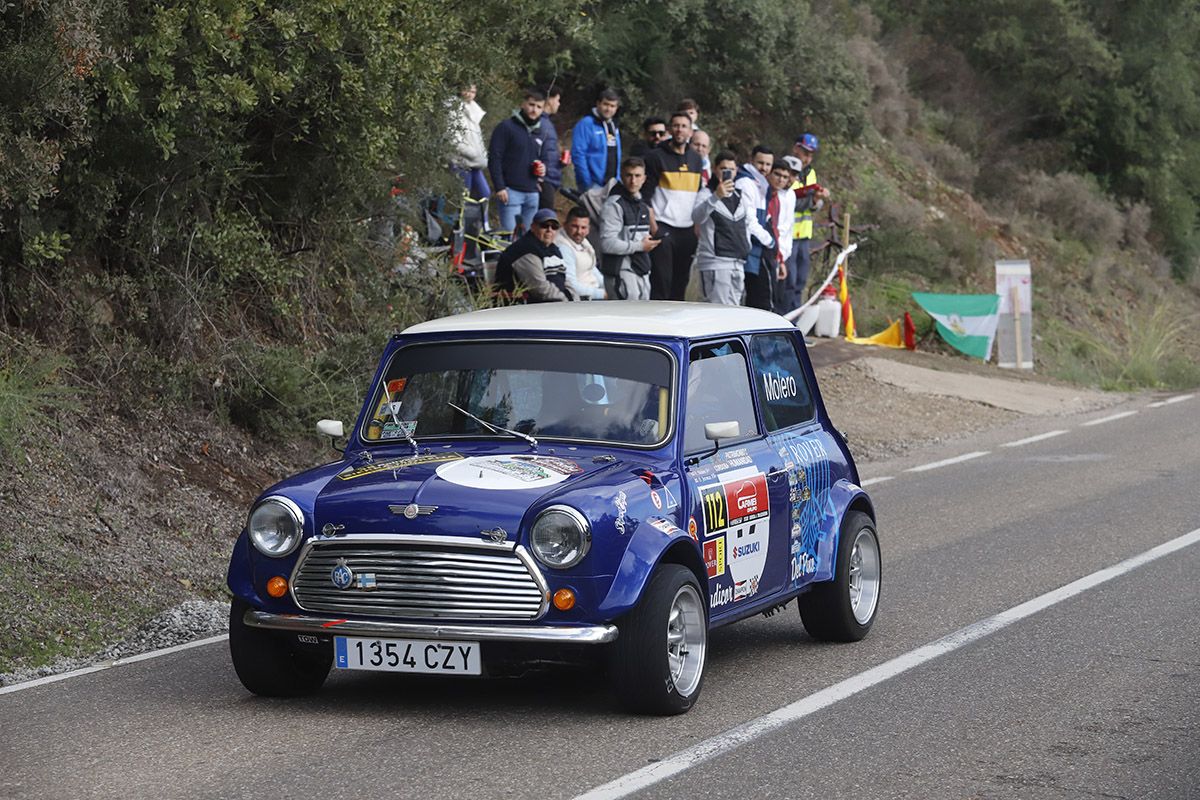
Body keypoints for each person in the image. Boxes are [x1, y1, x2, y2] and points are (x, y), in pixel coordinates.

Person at [643, 111, 704, 300]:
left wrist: (696, 227)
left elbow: (698, 197)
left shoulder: (696, 160)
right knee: (661, 282)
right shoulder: (655, 157)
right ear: (670, 129)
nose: (679, 130)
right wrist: (655, 228)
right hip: (664, 227)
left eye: (684, 126)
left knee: (681, 283)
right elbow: (645, 197)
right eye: (676, 126)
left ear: (690, 131)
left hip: (687, 231)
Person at [488, 88, 555, 234]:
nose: (534, 110)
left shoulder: (541, 131)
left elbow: (544, 158)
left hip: (532, 193)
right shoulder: (506, 127)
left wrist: (543, 169)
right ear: (523, 104)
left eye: (539, 107)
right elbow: (494, 158)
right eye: (531, 105)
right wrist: (500, 186)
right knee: (510, 238)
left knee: (528, 239)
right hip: (510, 192)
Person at [692, 151, 752, 305]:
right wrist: (715, 196)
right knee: (716, 312)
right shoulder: (706, 193)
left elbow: (747, 225)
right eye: (723, 168)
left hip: (738, 263)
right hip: (715, 263)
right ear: (714, 169)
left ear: (736, 171)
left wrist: (746, 248)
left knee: (733, 314)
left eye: (731, 169)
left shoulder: (740, 196)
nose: (727, 172)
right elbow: (696, 217)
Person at [600, 157, 660, 301]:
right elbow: (607, 244)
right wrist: (640, 246)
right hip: (620, 272)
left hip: (641, 270)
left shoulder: (643, 204)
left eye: (637, 176)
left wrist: (648, 243)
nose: (633, 181)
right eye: (629, 175)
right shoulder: (613, 205)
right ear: (622, 176)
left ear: (644, 178)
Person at [494, 209, 578, 302]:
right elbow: (540, 289)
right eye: (544, 226)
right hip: (525, 308)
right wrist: (567, 303)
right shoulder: (525, 250)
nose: (549, 230)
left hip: (556, 305)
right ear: (533, 227)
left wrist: (575, 300)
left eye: (554, 227)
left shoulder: (553, 249)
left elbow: (565, 280)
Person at [787, 133, 831, 307]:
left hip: (804, 235)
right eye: (804, 152)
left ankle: (794, 324)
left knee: (800, 282)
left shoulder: (810, 173)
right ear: (795, 148)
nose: (807, 158)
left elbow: (815, 205)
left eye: (810, 154)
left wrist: (816, 201)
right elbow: (788, 201)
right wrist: (812, 201)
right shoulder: (785, 170)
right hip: (787, 235)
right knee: (787, 283)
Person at [735, 145, 778, 310]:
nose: (764, 168)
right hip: (749, 250)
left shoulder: (760, 183)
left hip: (756, 250)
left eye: (768, 165)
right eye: (760, 163)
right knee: (758, 300)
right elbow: (748, 220)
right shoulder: (745, 182)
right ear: (751, 160)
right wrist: (769, 241)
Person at [571, 88, 622, 192]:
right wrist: (587, 183)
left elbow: (616, 154)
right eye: (606, 104)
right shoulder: (586, 124)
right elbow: (578, 154)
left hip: (612, 185)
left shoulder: (613, 126)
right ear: (598, 104)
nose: (608, 109)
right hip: (593, 184)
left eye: (612, 106)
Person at [448, 83, 489, 200]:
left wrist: (481, 155)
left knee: (484, 194)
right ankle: (461, 218)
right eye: (467, 90)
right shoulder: (453, 109)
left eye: (473, 92)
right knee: (463, 196)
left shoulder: (474, 110)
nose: (470, 94)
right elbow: (454, 140)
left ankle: (481, 218)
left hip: (475, 162)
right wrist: (473, 153)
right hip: (461, 162)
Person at [766, 161, 797, 310]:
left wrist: (783, 257)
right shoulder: (770, 195)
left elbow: (787, 227)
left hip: (784, 252)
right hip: (770, 252)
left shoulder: (790, 195)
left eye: (787, 176)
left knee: (783, 295)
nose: (783, 179)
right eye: (778, 174)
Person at [556, 206, 605, 300]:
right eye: (574, 226)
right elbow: (571, 286)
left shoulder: (581, 241)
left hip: (596, 291)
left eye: (583, 227)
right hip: (582, 300)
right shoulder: (563, 247)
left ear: (588, 229)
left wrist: (610, 287)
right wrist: (603, 294)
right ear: (565, 225)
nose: (579, 231)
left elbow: (592, 269)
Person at [539, 85, 564, 209]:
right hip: (544, 180)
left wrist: (560, 163)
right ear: (550, 100)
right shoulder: (540, 123)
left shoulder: (547, 123)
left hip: (549, 178)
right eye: (558, 100)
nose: (559, 104)